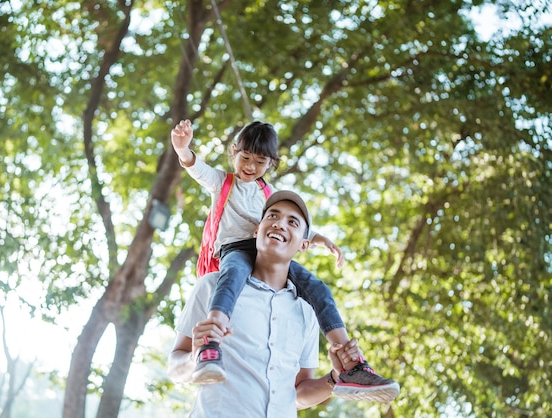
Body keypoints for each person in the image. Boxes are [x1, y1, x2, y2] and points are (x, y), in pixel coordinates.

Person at [170, 119, 399, 402]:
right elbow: (198, 168)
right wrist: (183, 149)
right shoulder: (224, 183)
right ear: (233, 152)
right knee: (230, 279)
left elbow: (298, 395)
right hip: (236, 250)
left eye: (259, 161)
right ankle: (210, 343)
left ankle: (351, 363)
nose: (250, 166)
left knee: (317, 288)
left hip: (264, 252)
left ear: (271, 163)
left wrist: (319, 239)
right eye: (245, 158)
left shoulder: (268, 195)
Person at [168, 191, 365, 416]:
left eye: (293, 222)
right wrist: (196, 356)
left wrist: (335, 378)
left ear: (304, 244)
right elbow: (175, 367)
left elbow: (298, 393)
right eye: (272, 216)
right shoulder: (212, 287)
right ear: (256, 231)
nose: (280, 224)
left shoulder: (307, 311)